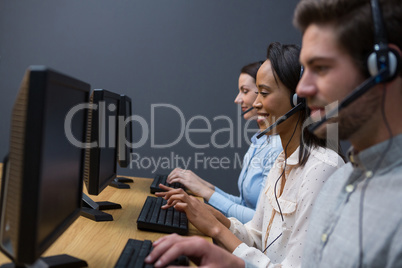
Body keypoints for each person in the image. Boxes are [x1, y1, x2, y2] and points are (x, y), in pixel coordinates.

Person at [148, 42, 344, 268]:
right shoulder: (282, 161)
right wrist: (213, 215)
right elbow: (257, 238)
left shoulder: (323, 168)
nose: (256, 103)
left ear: (298, 99)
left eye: (264, 93)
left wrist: (215, 229)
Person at [292, 0, 402, 267]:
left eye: (321, 68)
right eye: (305, 69)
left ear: (382, 67)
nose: (301, 89)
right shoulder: (337, 182)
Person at [166, 62, 282, 223]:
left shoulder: (278, 148)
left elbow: (260, 222)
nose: (237, 99)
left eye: (245, 91)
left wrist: (205, 192)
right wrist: (202, 185)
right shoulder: (261, 140)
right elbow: (244, 204)